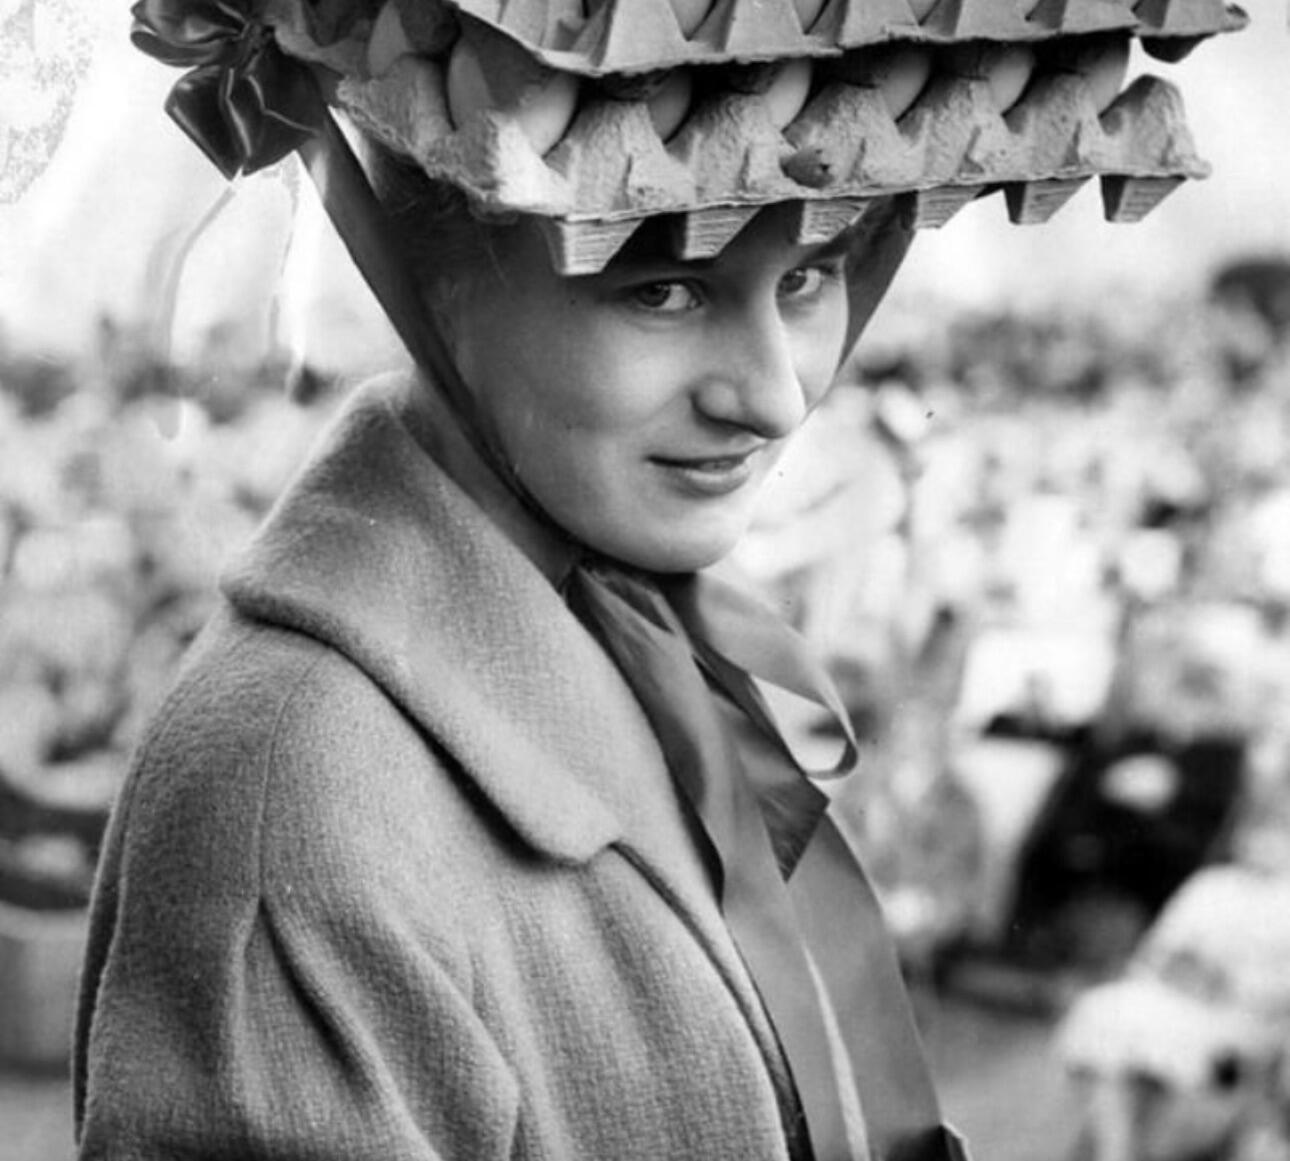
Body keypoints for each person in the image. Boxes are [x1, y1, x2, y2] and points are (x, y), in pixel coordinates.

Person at [71, 136, 966, 1159]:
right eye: (663, 291)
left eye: (808, 277)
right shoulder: (296, 803)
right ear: (434, 282)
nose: (776, 398)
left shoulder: (634, 619)